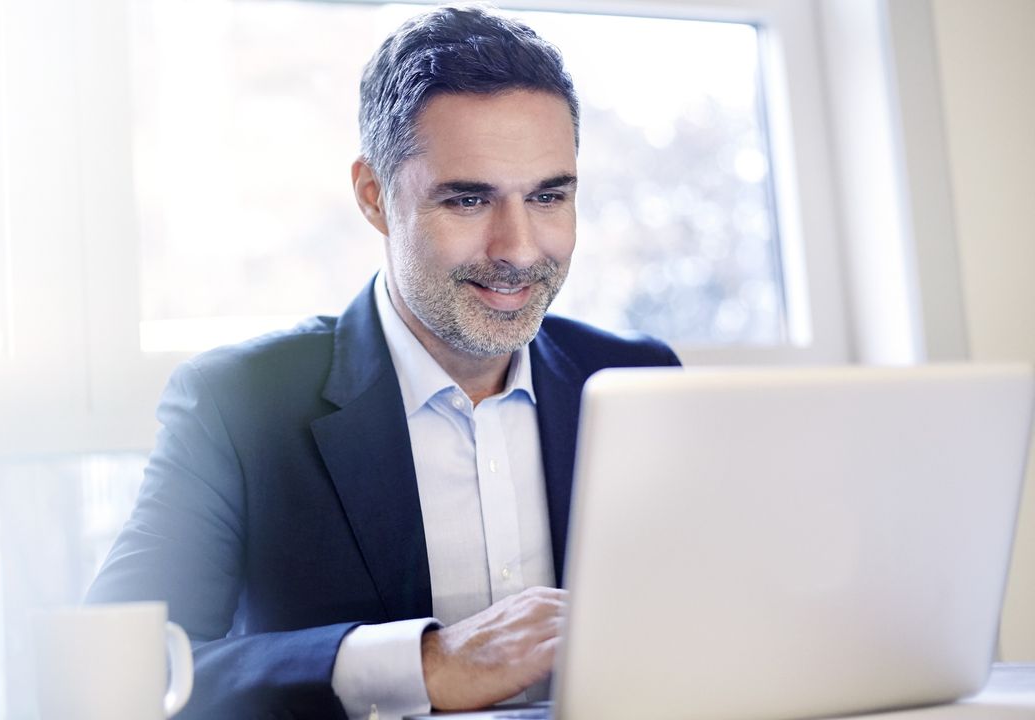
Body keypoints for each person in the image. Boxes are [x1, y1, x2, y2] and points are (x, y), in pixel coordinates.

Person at [86, 4, 680, 718]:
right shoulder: (239, 405)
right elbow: (119, 670)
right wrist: (419, 666)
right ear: (373, 196)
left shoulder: (640, 384)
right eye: (468, 199)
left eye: (549, 196)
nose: (519, 248)